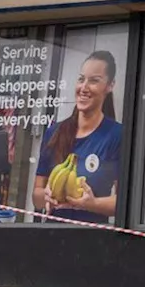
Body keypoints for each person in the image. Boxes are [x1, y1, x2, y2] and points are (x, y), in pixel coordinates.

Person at [32, 50, 121, 223]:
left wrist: (91, 204)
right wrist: (47, 196)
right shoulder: (55, 132)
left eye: (94, 81)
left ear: (110, 86)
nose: (84, 87)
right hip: (52, 237)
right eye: (81, 79)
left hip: (92, 239)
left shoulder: (117, 135)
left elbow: (123, 203)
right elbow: (36, 196)